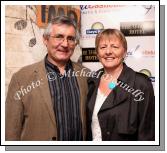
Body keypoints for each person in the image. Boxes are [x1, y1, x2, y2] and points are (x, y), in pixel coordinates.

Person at [5, 16, 89, 141]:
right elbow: (11, 131)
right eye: (59, 37)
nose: (65, 44)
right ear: (45, 40)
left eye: (70, 39)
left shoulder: (86, 75)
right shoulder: (21, 78)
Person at [86, 29, 155, 141]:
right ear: (97, 54)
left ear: (124, 52)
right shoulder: (91, 82)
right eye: (103, 47)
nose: (108, 51)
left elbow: (147, 134)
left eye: (114, 47)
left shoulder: (141, 84)